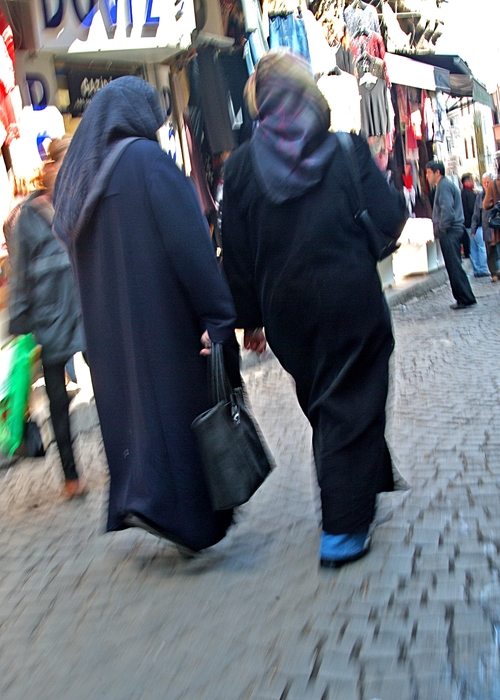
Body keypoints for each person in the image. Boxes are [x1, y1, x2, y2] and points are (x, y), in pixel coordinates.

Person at [222, 50, 407, 568]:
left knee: (330, 403)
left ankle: (363, 486)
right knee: (350, 403)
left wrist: (251, 318)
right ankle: (343, 529)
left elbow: (236, 254)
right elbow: (391, 217)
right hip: (350, 299)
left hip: (289, 317)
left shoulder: (238, 169)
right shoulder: (345, 149)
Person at [53, 77, 238, 554]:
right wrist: (218, 315)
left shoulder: (85, 177)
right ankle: (188, 521)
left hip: (109, 334)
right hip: (164, 323)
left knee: (138, 423)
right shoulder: (147, 163)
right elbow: (191, 244)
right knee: (176, 417)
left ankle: (144, 501)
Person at [8, 136, 87, 499]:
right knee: (57, 399)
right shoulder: (28, 216)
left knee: (108, 384)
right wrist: (21, 322)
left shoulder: (82, 199)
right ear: (50, 167)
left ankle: (124, 462)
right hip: (52, 315)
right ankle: (71, 476)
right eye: (63, 163)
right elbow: (21, 271)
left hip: (84, 309)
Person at [425, 161, 476, 310]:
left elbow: (447, 210)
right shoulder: (444, 186)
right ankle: (465, 297)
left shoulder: (444, 186)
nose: (427, 176)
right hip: (452, 230)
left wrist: (442, 228)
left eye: (428, 172)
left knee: (454, 266)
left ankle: (464, 298)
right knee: (454, 265)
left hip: (450, 231)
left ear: (437, 173)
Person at [471, 172, 499, 281]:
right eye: (484, 183)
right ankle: (494, 274)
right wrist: (473, 229)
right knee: (490, 252)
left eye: (488, 182)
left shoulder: (496, 192)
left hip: (497, 227)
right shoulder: (479, 197)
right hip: (487, 228)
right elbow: (476, 214)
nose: (486, 185)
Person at [461, 173, 488, 278]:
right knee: (481, 246)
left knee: (473, 247)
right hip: (475, 225)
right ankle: (483, 268)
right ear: (467, 181)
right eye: (471, 180)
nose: (473, 182)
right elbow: (475, 210)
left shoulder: (462, 193)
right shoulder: (471, 195)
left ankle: (476, 269)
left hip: (467, 225)